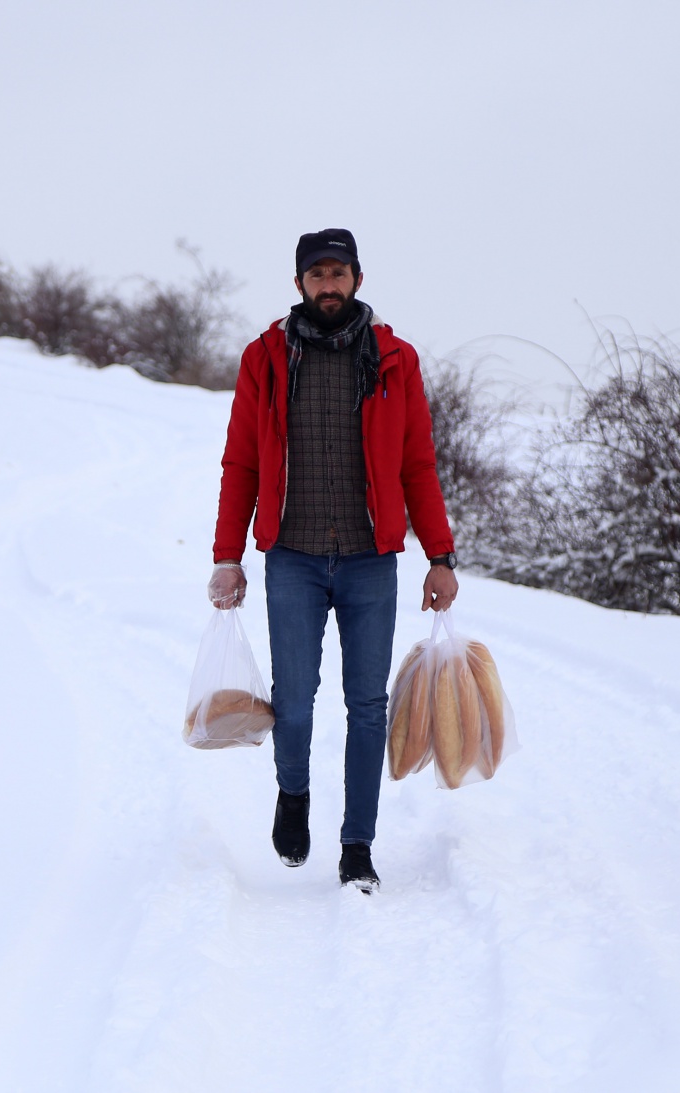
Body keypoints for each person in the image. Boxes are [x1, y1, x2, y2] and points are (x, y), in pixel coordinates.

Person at [208, 228, 458, 894]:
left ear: (356, 278)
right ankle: (293, 792)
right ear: (298, 284)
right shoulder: (264, 359)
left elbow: (417, 464)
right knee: (293, 701)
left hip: (369, 561)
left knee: (368, 705)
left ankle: (357, 845)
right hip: (291, 557)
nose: (328, 284)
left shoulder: (394, 360)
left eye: (338, 272)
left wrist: (441, 554)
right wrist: (226, 556)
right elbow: (242, 462)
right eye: (315, 274)